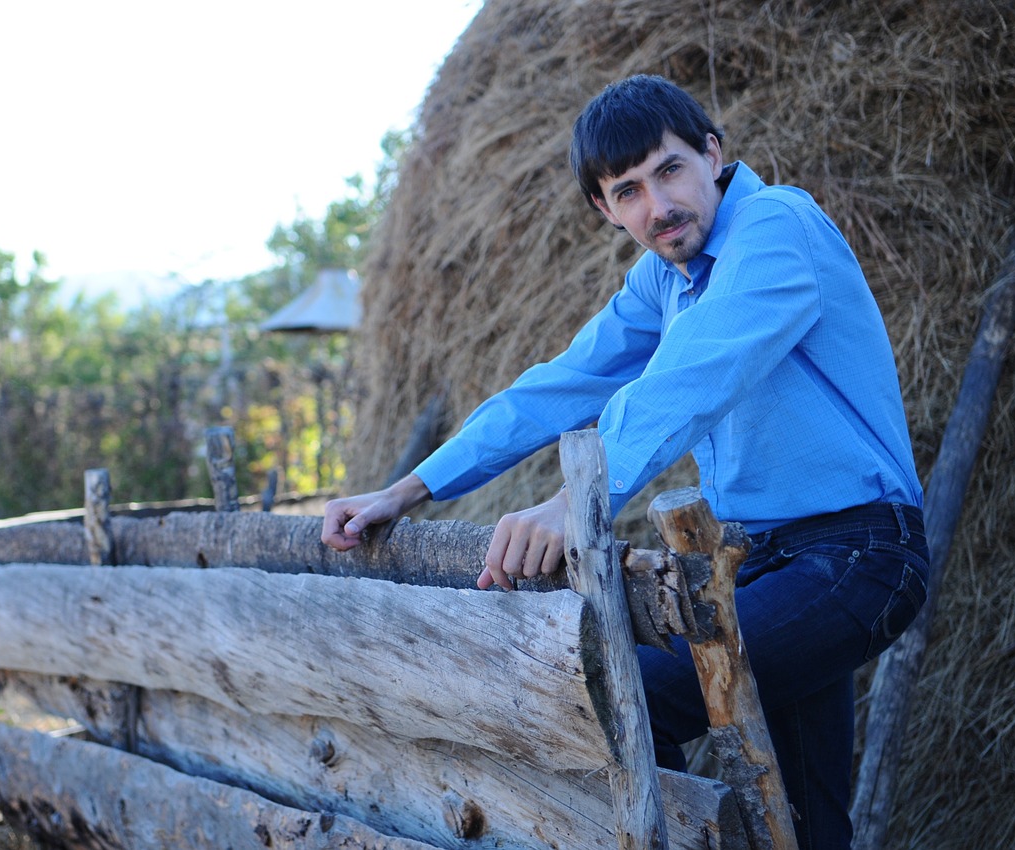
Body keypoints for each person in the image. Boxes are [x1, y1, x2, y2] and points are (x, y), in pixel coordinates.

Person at [322, 74, 929, 849]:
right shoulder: (662, 279)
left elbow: (697, 373)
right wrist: (408, 489)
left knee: (626, 695)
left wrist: (583, 495)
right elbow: (557, 385)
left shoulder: (777, 224)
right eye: (629, 191)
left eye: (670, 170)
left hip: (859, 554)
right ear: (605, 210)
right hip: (758, 565)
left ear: (713, 155)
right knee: (806, 825)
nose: (658, 206)